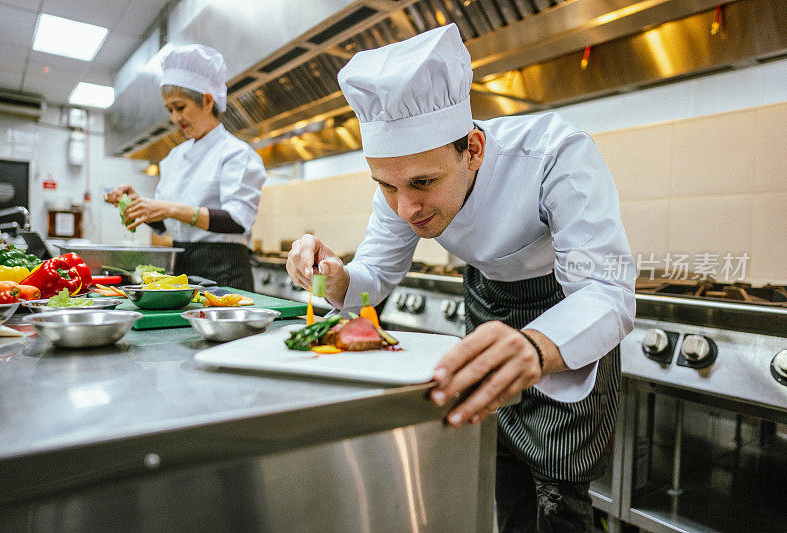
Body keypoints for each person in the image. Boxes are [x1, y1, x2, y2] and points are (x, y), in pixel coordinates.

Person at [286, 24, 635, 532]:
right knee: (500, 480)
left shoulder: (556, 154)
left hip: (565, 319)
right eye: (386, 185)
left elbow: (607, 291)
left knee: (561, 503)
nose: (406, 207)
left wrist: (534, 347)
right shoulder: (402, 184)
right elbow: (374, 277)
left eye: (423, 183)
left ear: (472, 148)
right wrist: (334, 278)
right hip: (487, 308)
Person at [105, 44, 266, 290]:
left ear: (207, 100)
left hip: (225, 271)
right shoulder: (174, 158)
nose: (175, 118)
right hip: (182, 269)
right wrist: (141, 205)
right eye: (170, 110)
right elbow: (166, 226)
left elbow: (236, 219)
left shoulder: (236, 153)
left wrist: (169, 208)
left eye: (180, 107)